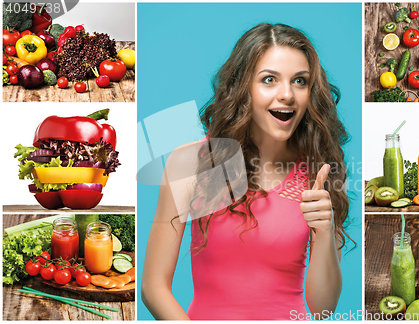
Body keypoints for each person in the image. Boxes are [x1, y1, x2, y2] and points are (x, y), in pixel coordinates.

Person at [142, 23, 352, 320]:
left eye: (300, 81)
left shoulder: (319, 172)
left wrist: (325, 231)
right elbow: (153, 287)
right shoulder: (191, 163)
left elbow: (324, 309)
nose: (288, 95)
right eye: (269, 79)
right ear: (244, 87)